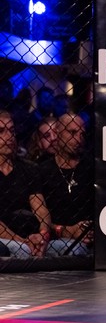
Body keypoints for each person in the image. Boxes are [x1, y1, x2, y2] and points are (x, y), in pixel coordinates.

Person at [39, 113, 94, 256]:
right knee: (75, 250)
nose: (78, 140)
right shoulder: (42, 170)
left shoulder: (93, 167)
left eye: (82, 134)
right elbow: (38, 217)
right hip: (57, 237)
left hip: (92, 235)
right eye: (72, 132)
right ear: (57, 133)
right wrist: (65, 230)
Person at [0, 110, 52, 258]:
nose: (9, 136)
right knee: (21, 250)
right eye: (1, 131)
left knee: (76, 248)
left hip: (30, 236)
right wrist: (22, 242)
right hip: (12, 239)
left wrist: (43, 236)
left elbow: (40, 209)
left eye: (11, 131)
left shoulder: (28, 168)